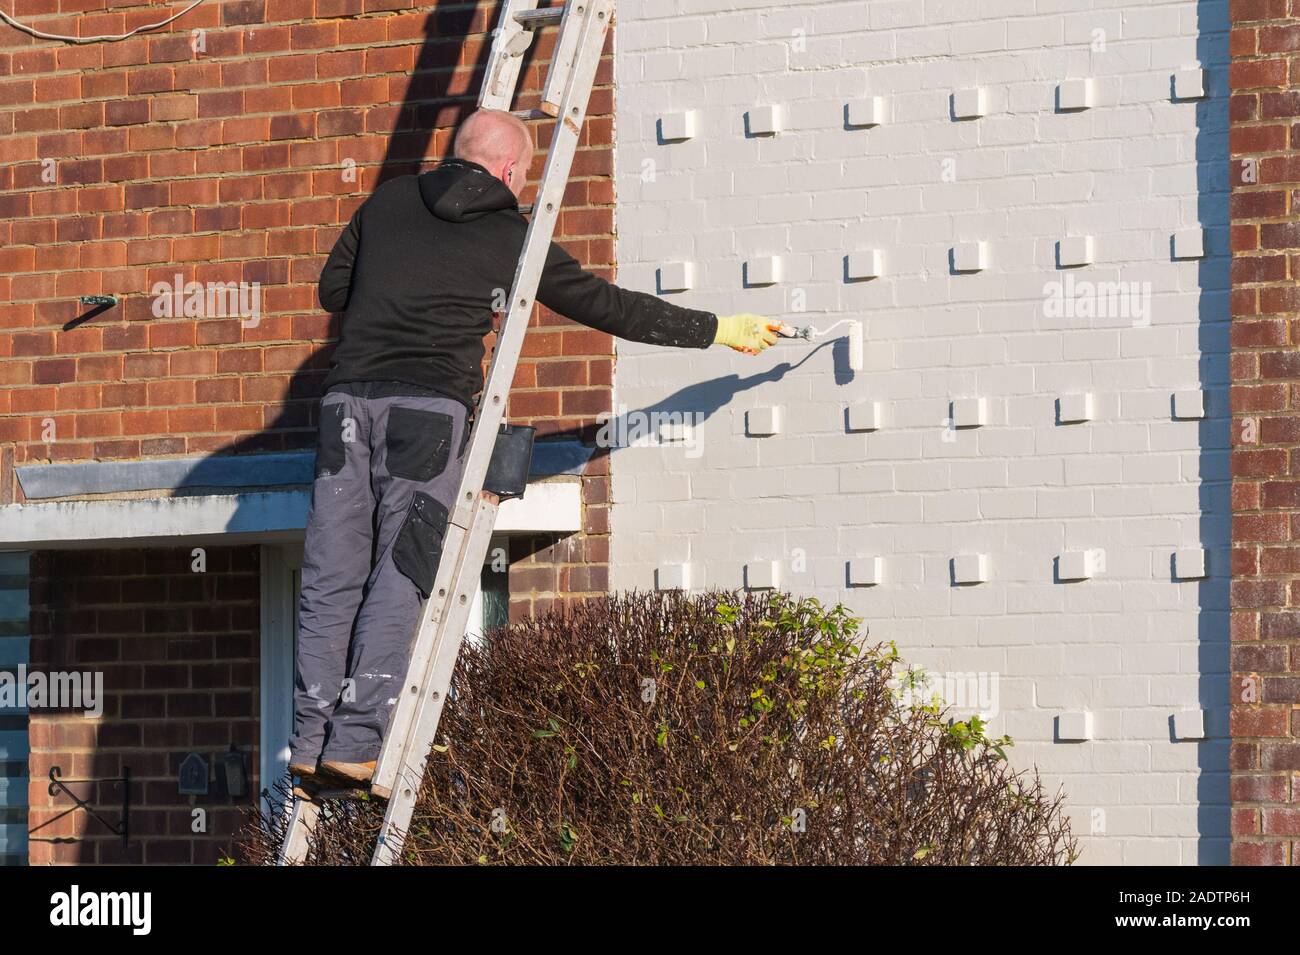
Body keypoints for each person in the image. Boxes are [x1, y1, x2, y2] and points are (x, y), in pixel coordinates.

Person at [289, 108, 781, 786]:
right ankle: (355, 740)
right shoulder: (510, 234)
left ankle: (309, 739)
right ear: (511, 171)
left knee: (329, 572)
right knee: (401, 570)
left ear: (455, 153)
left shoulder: (390, 199)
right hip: (427, 414)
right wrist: (717, 328)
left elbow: (332, 289)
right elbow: (605, 305)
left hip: (346, 407)